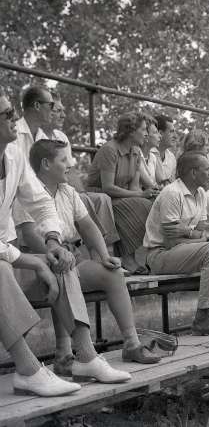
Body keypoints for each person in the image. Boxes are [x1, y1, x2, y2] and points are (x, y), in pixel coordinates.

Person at [0, 94, 129, 396]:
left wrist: (53, 241)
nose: (14, 117)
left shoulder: (14, 155)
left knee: (62, 261)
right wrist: (29, 259)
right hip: (5, 262)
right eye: (7, 113)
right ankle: (28, 371)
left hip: (8, 256)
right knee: (2, 270)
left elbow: (41, 203)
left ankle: (86, 358)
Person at [26, 139, 160, 366]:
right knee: (61, 270)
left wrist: (104, 255)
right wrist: (54, 253)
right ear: (46, 164)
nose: (70, 164)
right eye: (64, 160)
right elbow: (29, 234)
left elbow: (88, 226)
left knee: (113, 273)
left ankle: (132, 344)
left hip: (71, 255)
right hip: (38, 259)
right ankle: (64, 354)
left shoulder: (68, 191)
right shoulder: (29, 192)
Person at [141, 151, 209, 335]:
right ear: (193, 172)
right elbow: (171, 242)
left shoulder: (201, 193)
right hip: (161, 255)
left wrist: (189, 233)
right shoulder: (172, 193)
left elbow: (202, 233)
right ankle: (203, 320)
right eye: (207, 169)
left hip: (185, 251)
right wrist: (195, 235)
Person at [39, 92, 120, 248]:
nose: (63, 115)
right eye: (58, 111)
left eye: (63, 111)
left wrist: (80, 191)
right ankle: (97, 250)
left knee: (102, 199)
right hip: (50, 190)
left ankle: (105, 248)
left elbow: (70, 169)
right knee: (83, 200)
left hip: (66, 188)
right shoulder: (37, 138)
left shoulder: (61, 136)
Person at [86, 112, 159, 269]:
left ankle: (144, 256)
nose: (146, 134)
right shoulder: (110, 150)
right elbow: (108, 187)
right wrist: (141, 195)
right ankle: (128, 257)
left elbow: (133, 187)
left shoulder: (135, 151)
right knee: (142, 205)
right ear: (131, 131)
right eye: (143, 129)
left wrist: (148, 194)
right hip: (100, 198)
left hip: (119, 196)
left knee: (153, 203)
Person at [140, 116, 167, 187]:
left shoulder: (153, 157)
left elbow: (160, 182)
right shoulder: (135, 155)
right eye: (155, 132)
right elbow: (150, 185)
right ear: (145, 135)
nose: (160, 136)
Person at [156, 114, 177, 184]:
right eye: (171, 132)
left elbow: (172, 184)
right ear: (160, 133)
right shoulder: (146, 153)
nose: (175, 136)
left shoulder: (172, 158)